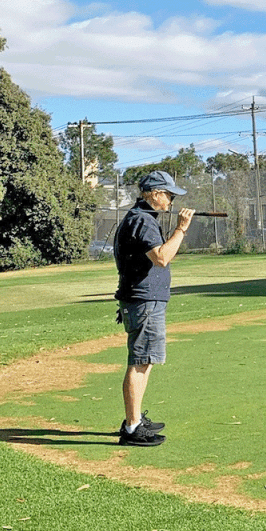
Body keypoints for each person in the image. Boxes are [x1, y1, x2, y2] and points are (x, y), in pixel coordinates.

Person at [113, 171, 195, 447]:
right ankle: (133, 427)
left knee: (144, 360)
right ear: (155, 194)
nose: (171, 200)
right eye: (169, 195)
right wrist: (181, 229)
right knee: (140, 361)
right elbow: (161, 257)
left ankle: (134, 419)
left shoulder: (142, 218)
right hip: (144, 301)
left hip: (144, 300)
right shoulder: (143, 221)